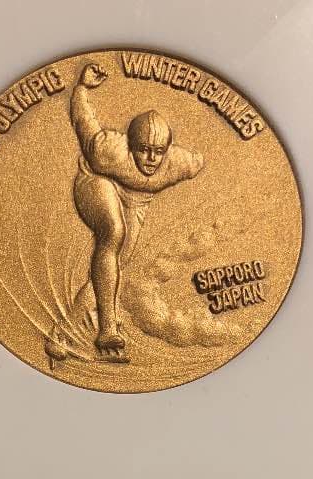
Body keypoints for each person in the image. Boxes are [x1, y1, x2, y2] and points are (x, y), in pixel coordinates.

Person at [70, 63, 204, 361]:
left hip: (137, 200)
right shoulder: (107, 151)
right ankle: (107, 329)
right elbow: (82, 120)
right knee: (113, 232)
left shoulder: (183, 164)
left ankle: (62, 334)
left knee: (114, 266)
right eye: (143, 149)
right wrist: (82, 88)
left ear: (168, 150)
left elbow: (202, 160)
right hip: (97, 181)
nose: (151, 159)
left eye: (158, 151)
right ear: (130, 145)